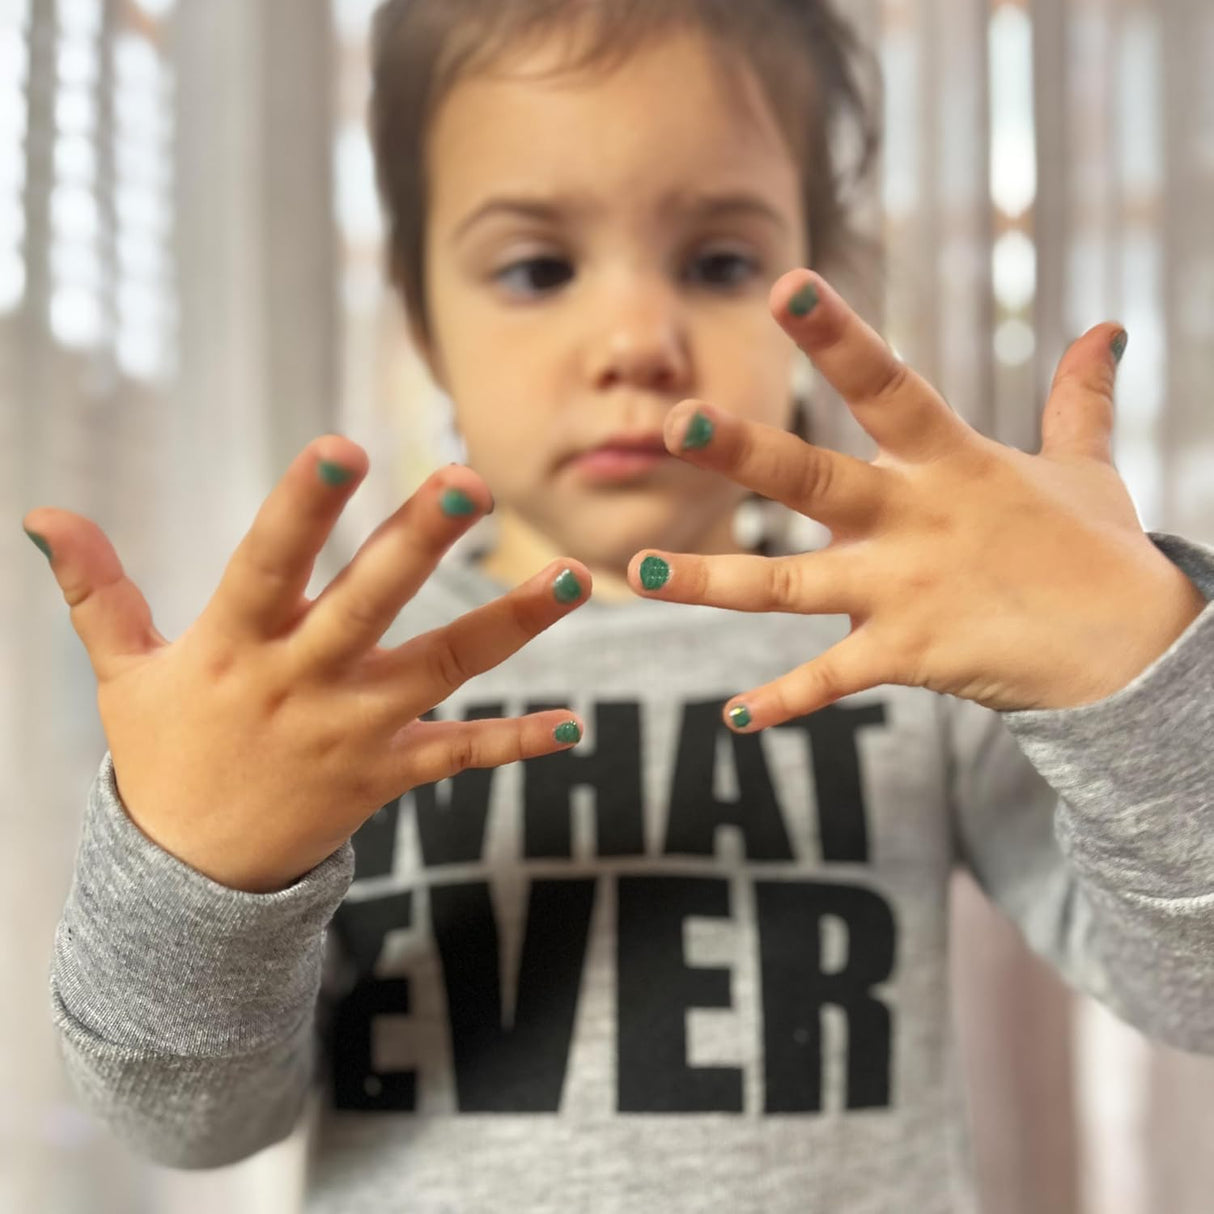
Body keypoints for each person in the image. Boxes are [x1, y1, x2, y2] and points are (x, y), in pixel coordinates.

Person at [24, 0, 1213, 1210]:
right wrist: (198, 878)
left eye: (717, 263)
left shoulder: (908, 632)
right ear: (424, 319)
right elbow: (191, 1125)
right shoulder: (333, 687)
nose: (638, 340)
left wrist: (1135, 673)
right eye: (538, 267)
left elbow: (1195, 987)